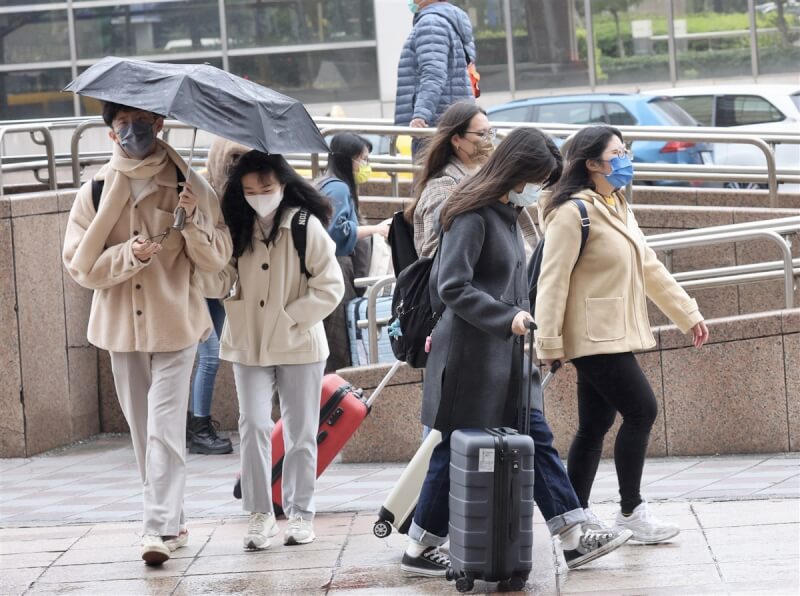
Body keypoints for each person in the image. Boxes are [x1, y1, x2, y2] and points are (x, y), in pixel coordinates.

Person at [401, 128, 632, 577]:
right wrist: (504, 317)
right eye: (535, 180)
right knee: (457, 450)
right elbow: (451, 286)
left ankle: (570, 534)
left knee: (531, 438)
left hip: (505, 357)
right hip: (472, 360)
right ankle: (423, 546)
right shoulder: (471, 213)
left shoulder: (505, 211)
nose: (537, 191)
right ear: (515, 172)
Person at [62, 102, 232, 565]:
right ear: (112, 133)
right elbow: (80, 265)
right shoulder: (95, 190)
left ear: (159, 124)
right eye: (124, 124)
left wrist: (194, 219)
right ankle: (172, 520)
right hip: (120, 330)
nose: (135, 131)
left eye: (143, 122)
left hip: (176, 323)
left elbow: (218, 257)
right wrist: (129, 255)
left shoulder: (188, 182)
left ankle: (154, 529)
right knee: (144, 433)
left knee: (163, 430)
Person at [534, 125, 710, 544]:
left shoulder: (616, 204)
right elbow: (552, 280)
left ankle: (573, 516)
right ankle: (630, 509)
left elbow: (649, 266)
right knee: (642, 410)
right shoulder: (570, 212)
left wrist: (688, 312)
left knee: (595, 424)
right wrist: (550, 344)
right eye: (617, 152)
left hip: (614, 332)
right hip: (591, 335)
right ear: (592, 163)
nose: (626, 157)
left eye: (625, 149)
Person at [203, 151, 344, 551]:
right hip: (248, 342)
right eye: (249, 190)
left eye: (266, 188)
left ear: (282, 184)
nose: (259, 196)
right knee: (253, 427)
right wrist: (199, 240)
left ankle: (301, 513)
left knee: (300, 432)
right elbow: (218, 282)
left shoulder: (304, 225)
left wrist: (291, 316)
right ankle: (260, 515)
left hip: (299, 343)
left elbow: (330, 286)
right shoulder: (235, 226)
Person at [404, 100, 539, 258]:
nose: (488, 140)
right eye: (481, 134)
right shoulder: (444, 186)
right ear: (456, 140)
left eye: (491, 132)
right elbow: (436, 255)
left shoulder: (490, 175)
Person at [186, 136, 250, 455]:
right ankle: (198, 427)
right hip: (196, 282)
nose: (236, 166)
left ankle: (197, 423)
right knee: (209, 356)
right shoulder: (199, 189)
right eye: (232, 159)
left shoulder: (240, 193)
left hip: (221, 284)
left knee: (214, 354)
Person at [318, 132, 390, 371]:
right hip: (336, 267)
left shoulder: (325, 182)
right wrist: (374, 229)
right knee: (338, 341)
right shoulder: (338, 188)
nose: (365, 166)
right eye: (363, 159)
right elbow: (336, 232)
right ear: (347, 159)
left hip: (328, 267)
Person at [394, 0, 476, 155]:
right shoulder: (451, 20)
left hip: (435, 125)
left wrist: (421, 115)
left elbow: (433, 73)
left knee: (433, 177)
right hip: (453, 121)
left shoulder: (431, 23)